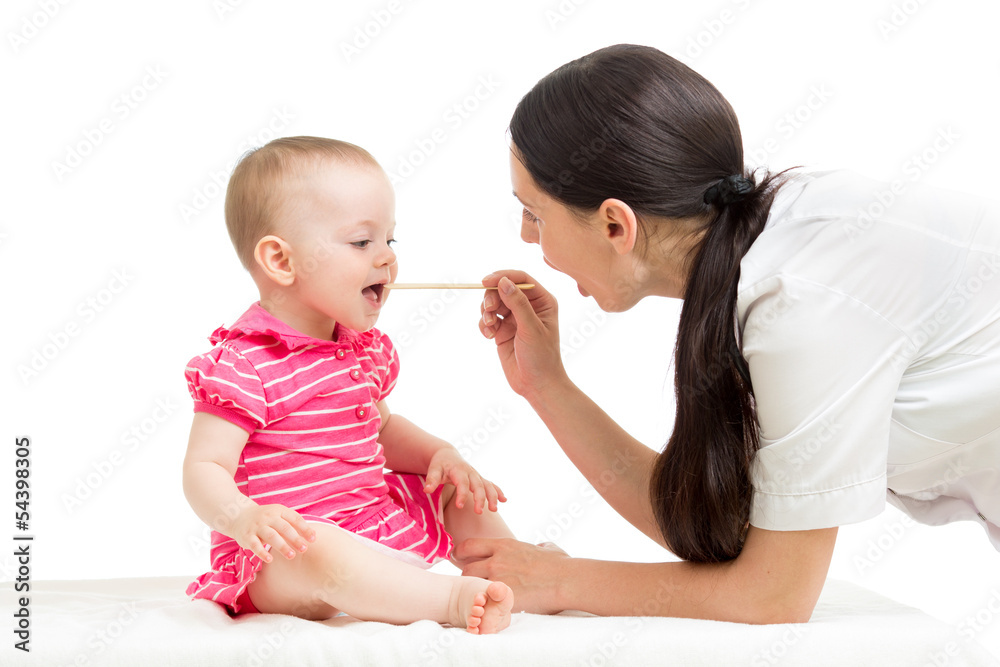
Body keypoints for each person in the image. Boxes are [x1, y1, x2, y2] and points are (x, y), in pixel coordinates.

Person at [459, 43, 1000, 623]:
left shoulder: (802, 301)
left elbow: (773, 595)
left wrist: (561, 581)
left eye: (534, 213)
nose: (526, 236)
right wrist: (546, 385)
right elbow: (719, 533)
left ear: (616, 224)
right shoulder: (765, 258)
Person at [182, 136, 514, 633]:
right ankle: (448, 601)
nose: (386, 259)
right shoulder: (245, 364)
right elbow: (203, 468)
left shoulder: (359, 348)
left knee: (452, 489)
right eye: (362, 243)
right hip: (279, 555)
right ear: (281, 261)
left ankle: (515, 567)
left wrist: (438, 454)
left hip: (367, 521)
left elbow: (379, 431)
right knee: (319, 546)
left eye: (390, 241)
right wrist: (245, 518)